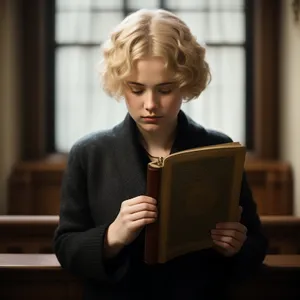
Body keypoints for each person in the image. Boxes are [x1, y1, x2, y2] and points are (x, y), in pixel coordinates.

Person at [53, 8, 268, 300]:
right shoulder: (89, 153)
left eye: (165, 89)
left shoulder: (218, 148)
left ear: (186, 83)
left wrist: (236, 247)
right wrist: (111, 237)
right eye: (137, 89)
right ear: (120, 84)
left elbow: (255, 244)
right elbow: (66, 247)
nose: (150, 104)